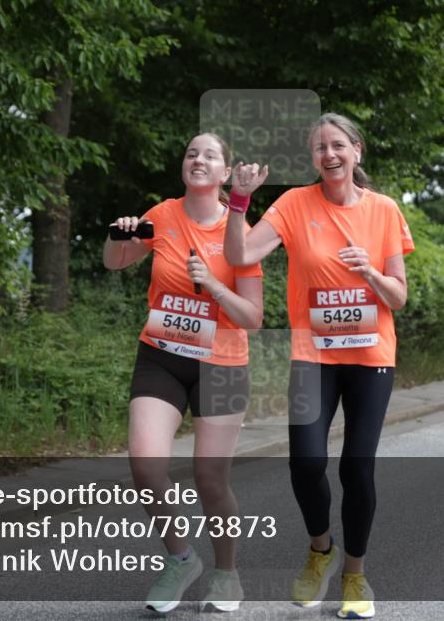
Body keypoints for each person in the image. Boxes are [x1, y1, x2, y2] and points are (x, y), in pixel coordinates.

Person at [224, 113, 413, 619]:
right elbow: (240, 252)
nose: (328, 155)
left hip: (371, 357)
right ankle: (320, 550)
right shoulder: (292, 204)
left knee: (357, 468)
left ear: (357, 152)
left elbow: (398, 296)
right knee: (306, 463)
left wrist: (369, 270)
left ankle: (355, 575)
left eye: (337, 146)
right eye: (319, 148)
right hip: (314, 356)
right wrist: (239, 200)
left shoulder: (385, 210)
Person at [103, 132, 264, 613]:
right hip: (162, 355)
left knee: (209, 479)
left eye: (210, 155)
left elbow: (253, 317)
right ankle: (180, 559)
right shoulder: (163, 214)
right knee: (145, 462)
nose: (198, 159)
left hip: (222, 364)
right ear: (184, 167)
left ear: (224, 173)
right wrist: (119, 235)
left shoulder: (242, 232)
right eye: (192, 153)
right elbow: (115, 263)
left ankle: (227, 574)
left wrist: (214, 284)